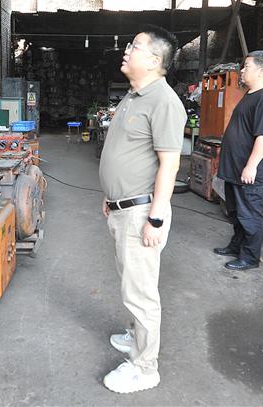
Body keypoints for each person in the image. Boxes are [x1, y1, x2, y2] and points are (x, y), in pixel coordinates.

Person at [98, 25, 186, 394]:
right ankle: (136, 335)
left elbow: (170, 164)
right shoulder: (134, 96)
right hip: (122, 207)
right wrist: (110, 195)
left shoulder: (163, 101)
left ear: (153, 60)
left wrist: (156, 217)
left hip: (141, 212)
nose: (126, 50)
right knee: (130, 282)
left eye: (134, 46)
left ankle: (144, 367)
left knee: (141, 292)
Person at [214, 51, 263, 271]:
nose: (242, 71)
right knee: (235, 212)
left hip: (248, 171)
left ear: (260, 70)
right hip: (235, 168)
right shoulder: (252, 94)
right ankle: (237, 246)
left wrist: (251, 166)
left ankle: (250, 258)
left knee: (249, 215)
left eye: (246, 67)